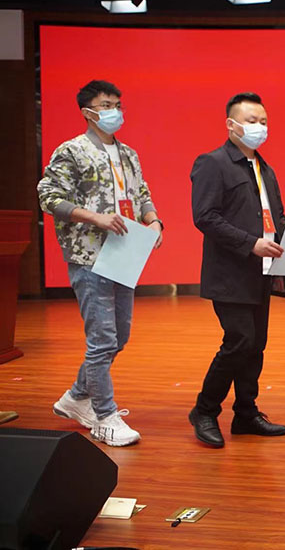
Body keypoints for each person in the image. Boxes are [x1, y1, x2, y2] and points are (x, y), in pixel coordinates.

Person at [38, 79, 164, 447]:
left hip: (125, 252)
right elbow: (49, 196)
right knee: (102, 339)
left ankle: (76, 397)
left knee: (118, 337)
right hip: (89, 255)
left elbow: (141, 193)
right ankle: (105, 416)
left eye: (117, 105)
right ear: (88, 112)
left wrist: (154, 220)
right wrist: (95, 217)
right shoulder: (72, 151)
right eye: (106, 105)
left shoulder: (128, 154)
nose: (114, 112)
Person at [188, 92, 285, 448]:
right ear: (231, 124)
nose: (259, 127)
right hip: (230, 272)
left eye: (263, 121)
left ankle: (246, 412)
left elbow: (276, 218)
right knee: (240, 340)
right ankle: (204, 410)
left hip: (263, 270)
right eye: (251, 121)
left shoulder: (264, 168)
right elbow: (205, 217)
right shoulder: (212, 163)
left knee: (256, 344)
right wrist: (250, 244)